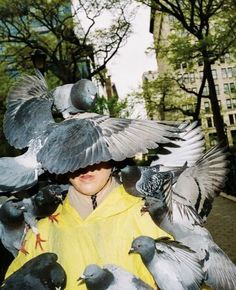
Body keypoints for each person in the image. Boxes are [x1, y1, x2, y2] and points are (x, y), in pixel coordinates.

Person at [5, 161, 211, 290]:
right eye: (72, 156)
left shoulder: (151, 215)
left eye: (95, 155)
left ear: (113, 158)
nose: (84, 165)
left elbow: (194, 278)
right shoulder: (43, 228)